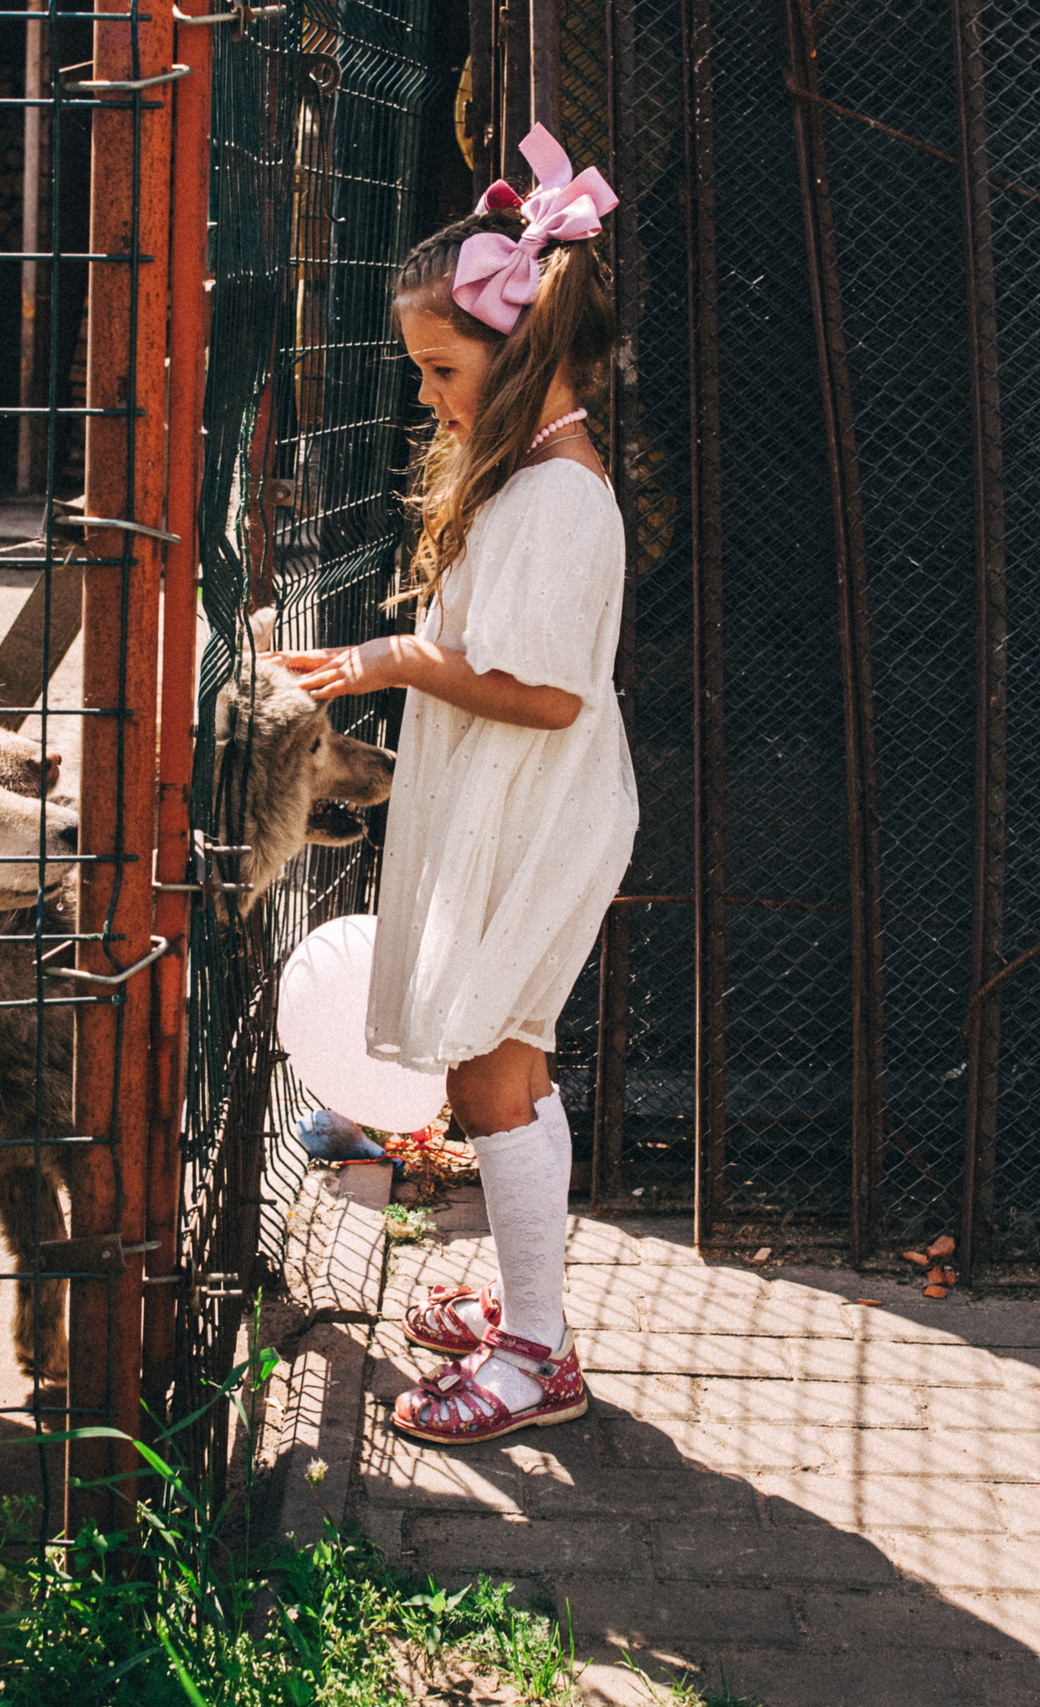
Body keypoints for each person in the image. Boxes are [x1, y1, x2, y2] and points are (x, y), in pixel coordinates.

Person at [270, 126, 636, 1446]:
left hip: (534, 820)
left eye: (442, 369)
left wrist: (387, 658)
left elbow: (541, 692)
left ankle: (537, 1356)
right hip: (511, 810)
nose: (428, 396)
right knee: (508, 1074)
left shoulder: (562, 503)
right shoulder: (531, 478)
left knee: (494, 1079)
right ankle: (533, 1315)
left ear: (520, 351)